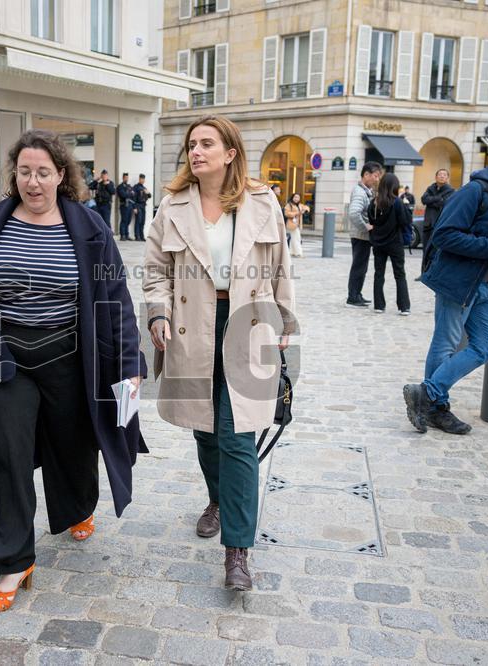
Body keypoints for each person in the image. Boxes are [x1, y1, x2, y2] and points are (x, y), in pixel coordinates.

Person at [0, 129, 146, 614]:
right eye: (24, 171)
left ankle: (78, 507)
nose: (33, 181)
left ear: (62, 175)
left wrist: (130, 364)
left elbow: (116, 301)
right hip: (4, 358)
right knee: (6, 454)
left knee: (71, 445)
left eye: (43, 172)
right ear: (15, 174)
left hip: (71, 358)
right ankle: (14, 561)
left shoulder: (90, 228)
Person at [143, 115, 297, 592]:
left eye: (206, 143)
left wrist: (287, 324)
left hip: (248, 327)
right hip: (191, 332)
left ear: (230, 153)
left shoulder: (262, 201)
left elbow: (281, 269)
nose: (196, 151)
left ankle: (237, 552)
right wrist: (157, 314)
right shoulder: (172, 206)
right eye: (192, 144)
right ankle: (216, 499)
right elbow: (155, 271)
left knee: (237, 438)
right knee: (206, 433)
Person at [404, 135, 488, 435]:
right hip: (460, 282)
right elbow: (444, 235)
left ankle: (425, 395)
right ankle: (437, 408)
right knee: (445, 344)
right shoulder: (474, 191)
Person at [368, 173, 411, 315]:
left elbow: (372, 221)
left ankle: (379, 305)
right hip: (394, 242)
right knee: (399, 274)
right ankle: (404, 306)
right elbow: (404, 222)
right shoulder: (397, 202)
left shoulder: (375, 202)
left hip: (379, 243)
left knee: (378, 273)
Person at [346, 162, 382, 307]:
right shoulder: (360, 192)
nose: (377, 179)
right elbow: (354, 213)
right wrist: (366, 227)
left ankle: (357, 294)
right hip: (360, 236)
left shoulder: (366, 190)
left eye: (379, 176)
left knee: (362, 266)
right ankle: (353, 297)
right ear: (366, 174)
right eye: (375, 175)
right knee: (359, 266)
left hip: (362, 236)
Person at [419, 169, 456, 276]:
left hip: (439, 225)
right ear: (436, 177)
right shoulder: (430, 188)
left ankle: (434, 273)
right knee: (425, 250)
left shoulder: (451, 191)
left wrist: (432, 201)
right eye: (440, 174)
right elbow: (424, 199)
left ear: (447, 178)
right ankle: (424, 273)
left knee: (436, 251)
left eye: (444, 175)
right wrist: (437, 199)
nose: (442, 176)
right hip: (428, 224)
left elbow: (445, 203)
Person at [284, 193, 308, 258]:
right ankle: (298, 253)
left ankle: (292, 252)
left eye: (298, 197)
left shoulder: (300, 205)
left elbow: (306, 207)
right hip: (291, 224)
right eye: (295, 197)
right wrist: (297, 213)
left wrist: (305, 210)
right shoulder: (289, 205)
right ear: (292, 197)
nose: (296, 199)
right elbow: (287, 213)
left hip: (298, 224)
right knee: (297, 238)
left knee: (293, 239)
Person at [116, 172, 136, 241]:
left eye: (127, 177)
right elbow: (123, 195)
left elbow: (133, 195)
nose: (126, 179)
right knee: (124, 220)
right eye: (125, 177)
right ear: (123, 178)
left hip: (130, 205)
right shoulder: (120, 186)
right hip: (124, 205)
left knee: (128, 220)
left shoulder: (129, 186)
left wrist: (134, 207)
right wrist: (130, 193)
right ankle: (123, 235)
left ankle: (127, 235)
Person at [133, 174, 151, 241]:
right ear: (139, 179)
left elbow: (149, 196)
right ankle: (137, 236)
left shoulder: (144, 188)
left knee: (142, 221)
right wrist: (134, 207)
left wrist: (148, 193)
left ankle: (141, 236)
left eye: (143, 179)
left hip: (143, 206)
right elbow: (133, 198)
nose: (142, 180)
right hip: (138, 205)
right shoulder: (136, 187)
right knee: (138, 221)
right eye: (141, 179)